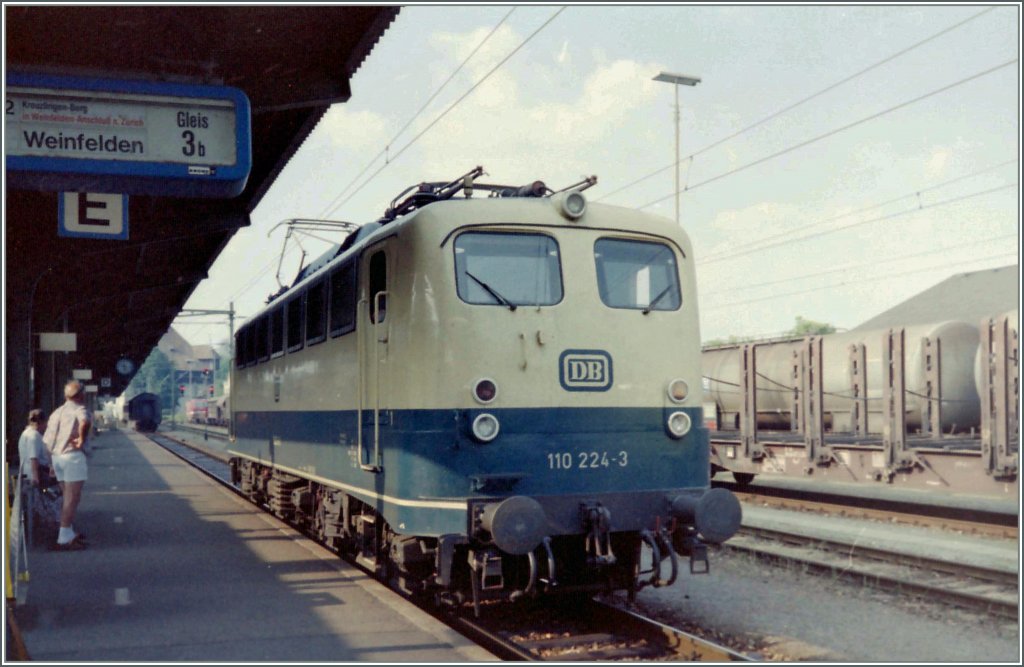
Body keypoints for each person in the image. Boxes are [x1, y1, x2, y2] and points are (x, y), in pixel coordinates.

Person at [42, 379, 92, 551]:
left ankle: (69, 532)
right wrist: (81, 440)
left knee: (66, 497)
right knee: (73, 498)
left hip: (57, 458)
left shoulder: (56, 412)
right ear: (81, 395)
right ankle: (63, 537)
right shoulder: (80, 409)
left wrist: (50, 463)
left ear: (66, 396)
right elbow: (85, 422)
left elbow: (47, 441)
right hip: (72, 457)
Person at [18, 409, 50, 488]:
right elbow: (33, 458)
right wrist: (35, 477)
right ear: (43, 422)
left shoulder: (26, 433)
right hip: (37, 475)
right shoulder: (34, 436)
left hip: (26, 473)